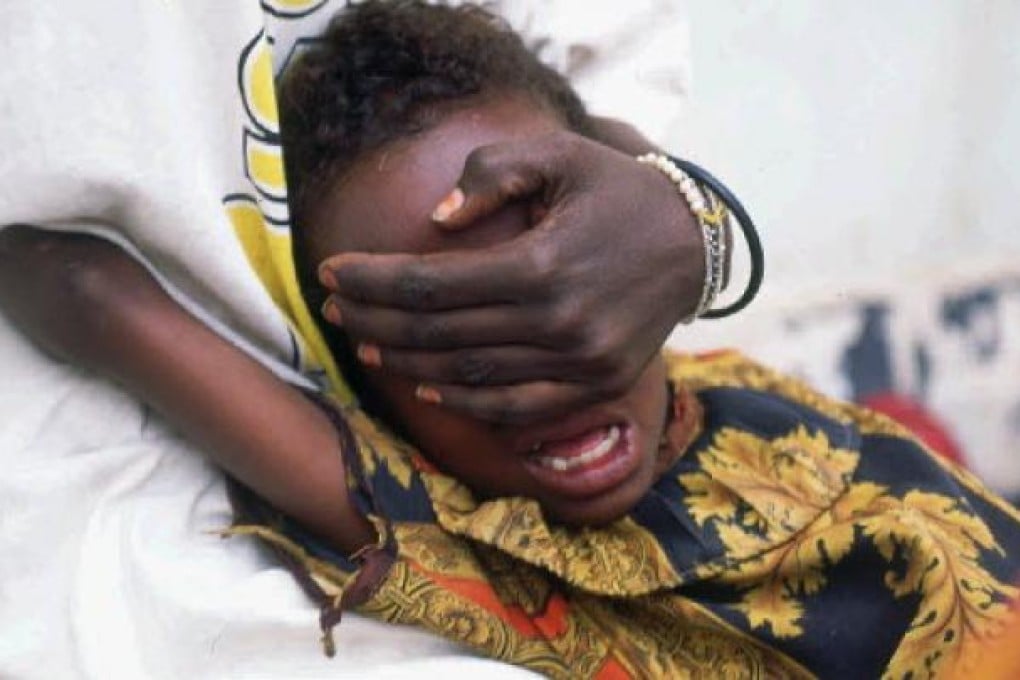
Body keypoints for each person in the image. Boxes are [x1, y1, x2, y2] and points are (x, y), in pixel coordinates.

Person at [0, 2, 1016, 678]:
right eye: (451, 339)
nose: (543, 379)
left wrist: (679, 205)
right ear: (365, 385)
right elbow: (91, 296)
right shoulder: (492, 547)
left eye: (551, 291)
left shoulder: (729, 389)